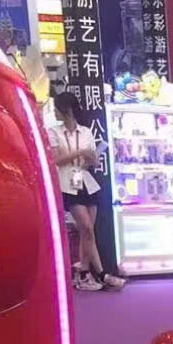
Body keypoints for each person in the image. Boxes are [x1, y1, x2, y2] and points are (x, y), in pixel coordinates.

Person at [48, 91, 123, 291]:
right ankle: (94, 273)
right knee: (87, 228)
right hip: (67, 184)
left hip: (86, 181)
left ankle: (88, 274)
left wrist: (92, 158)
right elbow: (56, 160)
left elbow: (94, 162)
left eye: (56, 108)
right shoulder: (53, 132)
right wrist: (80, 152)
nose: (54, 112)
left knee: (87, 232)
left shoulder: (86, 132)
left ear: (67, 110)